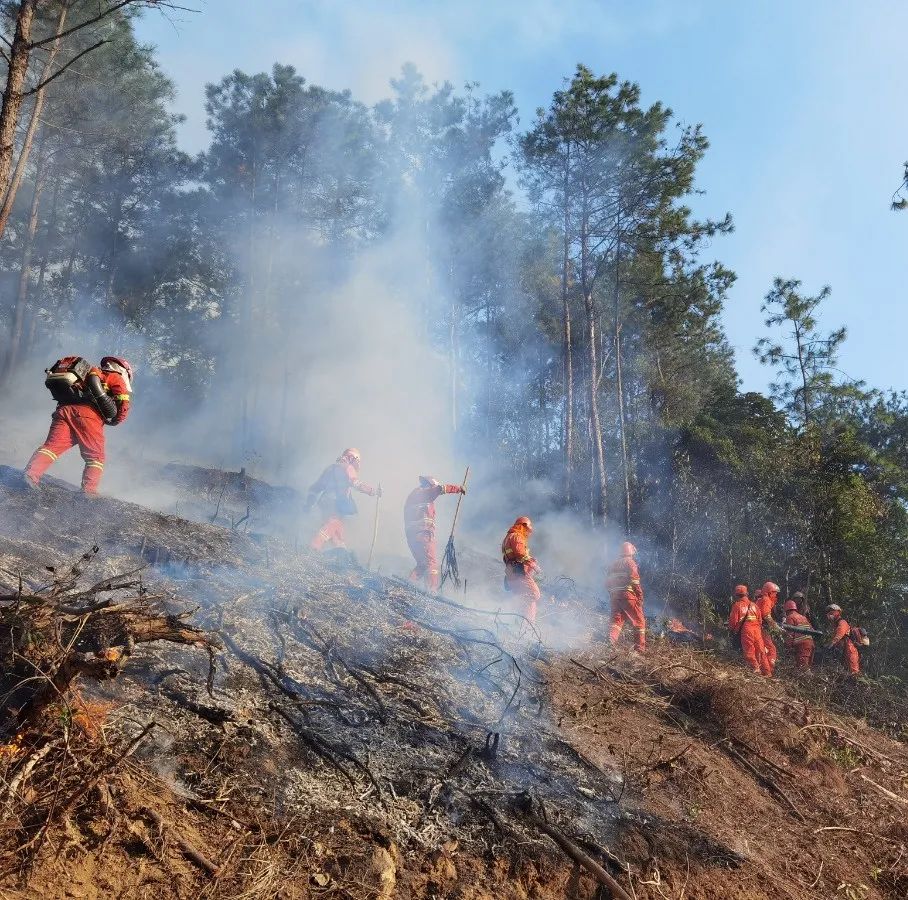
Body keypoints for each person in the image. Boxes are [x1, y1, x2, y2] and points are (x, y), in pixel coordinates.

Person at [24, 356, 133, 495]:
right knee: (96, 457)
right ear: (124, 371)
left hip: (64, 411)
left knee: (51, 447)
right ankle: (89, 491)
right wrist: (117, 420)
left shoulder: (86, 373)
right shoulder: (114, 376)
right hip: (88, 416)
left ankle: (31, 474)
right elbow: (123, 403)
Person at [307, 448, 380, 555]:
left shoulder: (330, 468)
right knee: (332, 525)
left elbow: (316, 487)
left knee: (338, 533)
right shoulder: (348, 468)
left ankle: (341, 553)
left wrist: (309, 504)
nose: (358, 464)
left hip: (324, 502)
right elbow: (356, 483)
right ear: (353, 458)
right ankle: (313, 547)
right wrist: (373, 491)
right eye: (357, 460)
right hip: (335, 504)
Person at [403, 475, 465, 591]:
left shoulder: (415, 496)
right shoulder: (423, 493)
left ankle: (409, 584)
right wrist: (459, 488)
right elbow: (440, 489)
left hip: (413, 536)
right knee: (432, 563)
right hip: (423, 533)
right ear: (429, 484)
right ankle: (432, 590)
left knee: (422, 563)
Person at [607, 541, 646, 652]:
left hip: (615, 598)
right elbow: (635, 581)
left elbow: (607, 583)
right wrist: (640, 596)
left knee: (616, 621)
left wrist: (612, 594)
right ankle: (640, 649)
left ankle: (611, 640)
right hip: (629, 597)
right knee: (639, 621)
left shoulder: (613, 565)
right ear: (631, 552)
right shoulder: (630, 562)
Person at [501, 516, 541, 623]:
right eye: (527, 530)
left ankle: (520, 623)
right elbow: (520, 554)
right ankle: (527, 625)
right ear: (522, 526)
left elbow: (512, 556)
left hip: (512, 573)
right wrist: (533, 565)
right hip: (518, 573)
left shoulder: (508, 537)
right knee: (534, 593)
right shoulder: (517, 537)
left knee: (522, 598)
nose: (528, 533)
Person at [727, 584, 770, 676]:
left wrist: (731, 630)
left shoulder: (737, 605)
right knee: (761, 650)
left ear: (736, 595)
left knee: (749, 650)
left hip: (746, 630)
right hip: (757, 630)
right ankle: (767, 672)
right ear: (747, 593)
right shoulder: (754, 605)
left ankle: (755, 669)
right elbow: (760, 620)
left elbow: (733, 622)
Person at [825, 604, 860, 676]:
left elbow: (839, 634)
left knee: (852, 665)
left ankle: (856, 680)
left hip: (849, 645)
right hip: (843, 646)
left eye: (831, 613)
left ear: (838, 612)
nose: (829, 615)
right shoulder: (835, 624)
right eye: (828, 613)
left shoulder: (842, 622)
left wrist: (831, 644)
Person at [758, 581, 783, 675]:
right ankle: (768, 670)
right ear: (769, 592)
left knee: (763, 649)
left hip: (758, 628)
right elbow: (766, 616)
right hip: (761, 628)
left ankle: (763, 669)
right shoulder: (766, 600)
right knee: (771, 649)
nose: (776, 595)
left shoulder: (760, 600)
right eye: (775, 593)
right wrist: (776, 627)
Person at [782, 599, 815, 672]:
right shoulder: (803, 617)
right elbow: (812, 629)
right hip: (810, 643)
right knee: (806, 666)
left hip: (802, 645)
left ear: (786, 610)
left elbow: (790, 634)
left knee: (803, 668)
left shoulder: (790, 617)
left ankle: (808, 681)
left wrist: (788, 646)